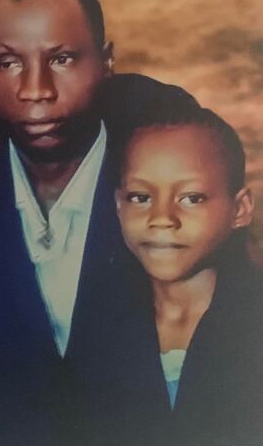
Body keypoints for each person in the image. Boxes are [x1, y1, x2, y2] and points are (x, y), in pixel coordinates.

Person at [0, 0, 198, 445]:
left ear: (106, 62)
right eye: (8, 63)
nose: (35, 90)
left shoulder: (170, 175)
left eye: (61, 59)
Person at [78, 106, 261, 445]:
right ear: (119, 205)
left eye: (191, 198)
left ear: (240, 210)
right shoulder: (91, 328)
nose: (161, 218)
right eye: (141, 197)